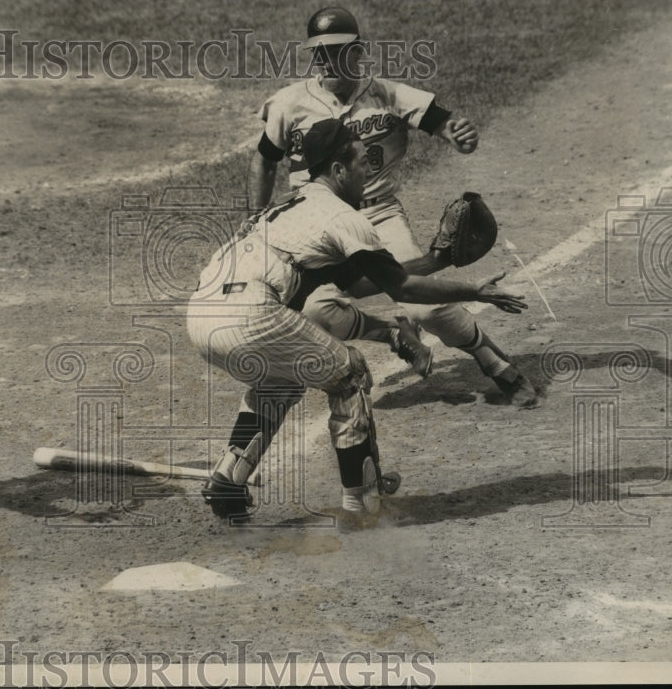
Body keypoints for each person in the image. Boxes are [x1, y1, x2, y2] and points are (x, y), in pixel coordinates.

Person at [187, 118, 528, 519]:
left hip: (202, 314)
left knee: (281, 379)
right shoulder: (343, 217)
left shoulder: (286, 206)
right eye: (363, 163)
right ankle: (363, 503)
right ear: (338, 170)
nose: (369, 172)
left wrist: (437, 259)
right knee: (349, 373)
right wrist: (474, 291)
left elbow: (363, 283)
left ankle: (228, 480)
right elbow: (401, 289)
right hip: (252, 316)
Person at [247, 6, 539, 407]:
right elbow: (265, 158)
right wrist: (257, 216)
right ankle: (393, 333)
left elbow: (444, 122)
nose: (326, 60)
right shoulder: (288, 103)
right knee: (314, 310)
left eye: (337, 50)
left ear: (358, 51)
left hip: (377, 213)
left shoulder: (388, 94)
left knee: (426, 308)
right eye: (318, 52)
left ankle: (494, 362)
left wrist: (459, 136)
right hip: (314, 223)